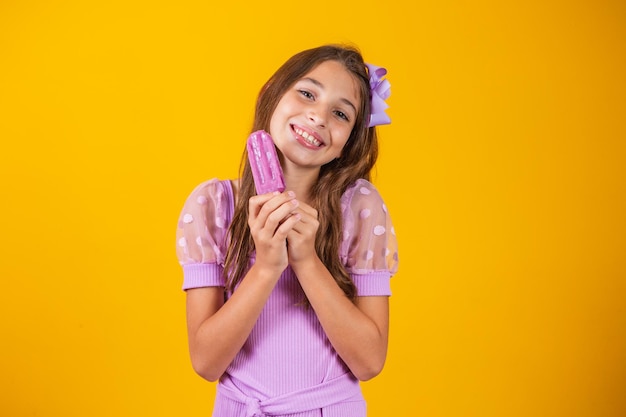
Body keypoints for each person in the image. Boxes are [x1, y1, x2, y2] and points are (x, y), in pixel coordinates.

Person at [175, 44, 398, 416]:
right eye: (307, 93)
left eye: (340, 113)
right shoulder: (214, 205)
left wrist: (307, 260)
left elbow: (370, 361)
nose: (318, 117)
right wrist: (266, 266)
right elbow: (206, 362)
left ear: (348, 142)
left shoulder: (359, 208)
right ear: (270, 93)